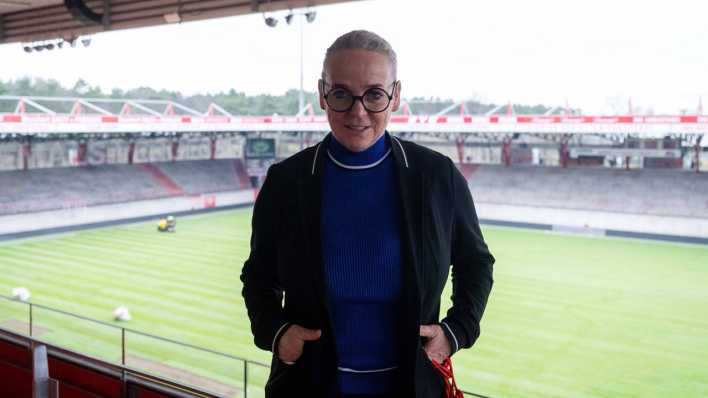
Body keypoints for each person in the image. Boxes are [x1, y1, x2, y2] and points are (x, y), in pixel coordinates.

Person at [241, 30, 494, 398]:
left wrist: (456, 332)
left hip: (412, 388)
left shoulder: (437, 176)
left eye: (374, 94)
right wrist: (276, 334)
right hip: (307, 388)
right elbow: (259, 277)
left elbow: (476, 263)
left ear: (396, 96)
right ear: (322, 94)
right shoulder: (286, 181)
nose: (357, 112)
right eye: (341, 93)